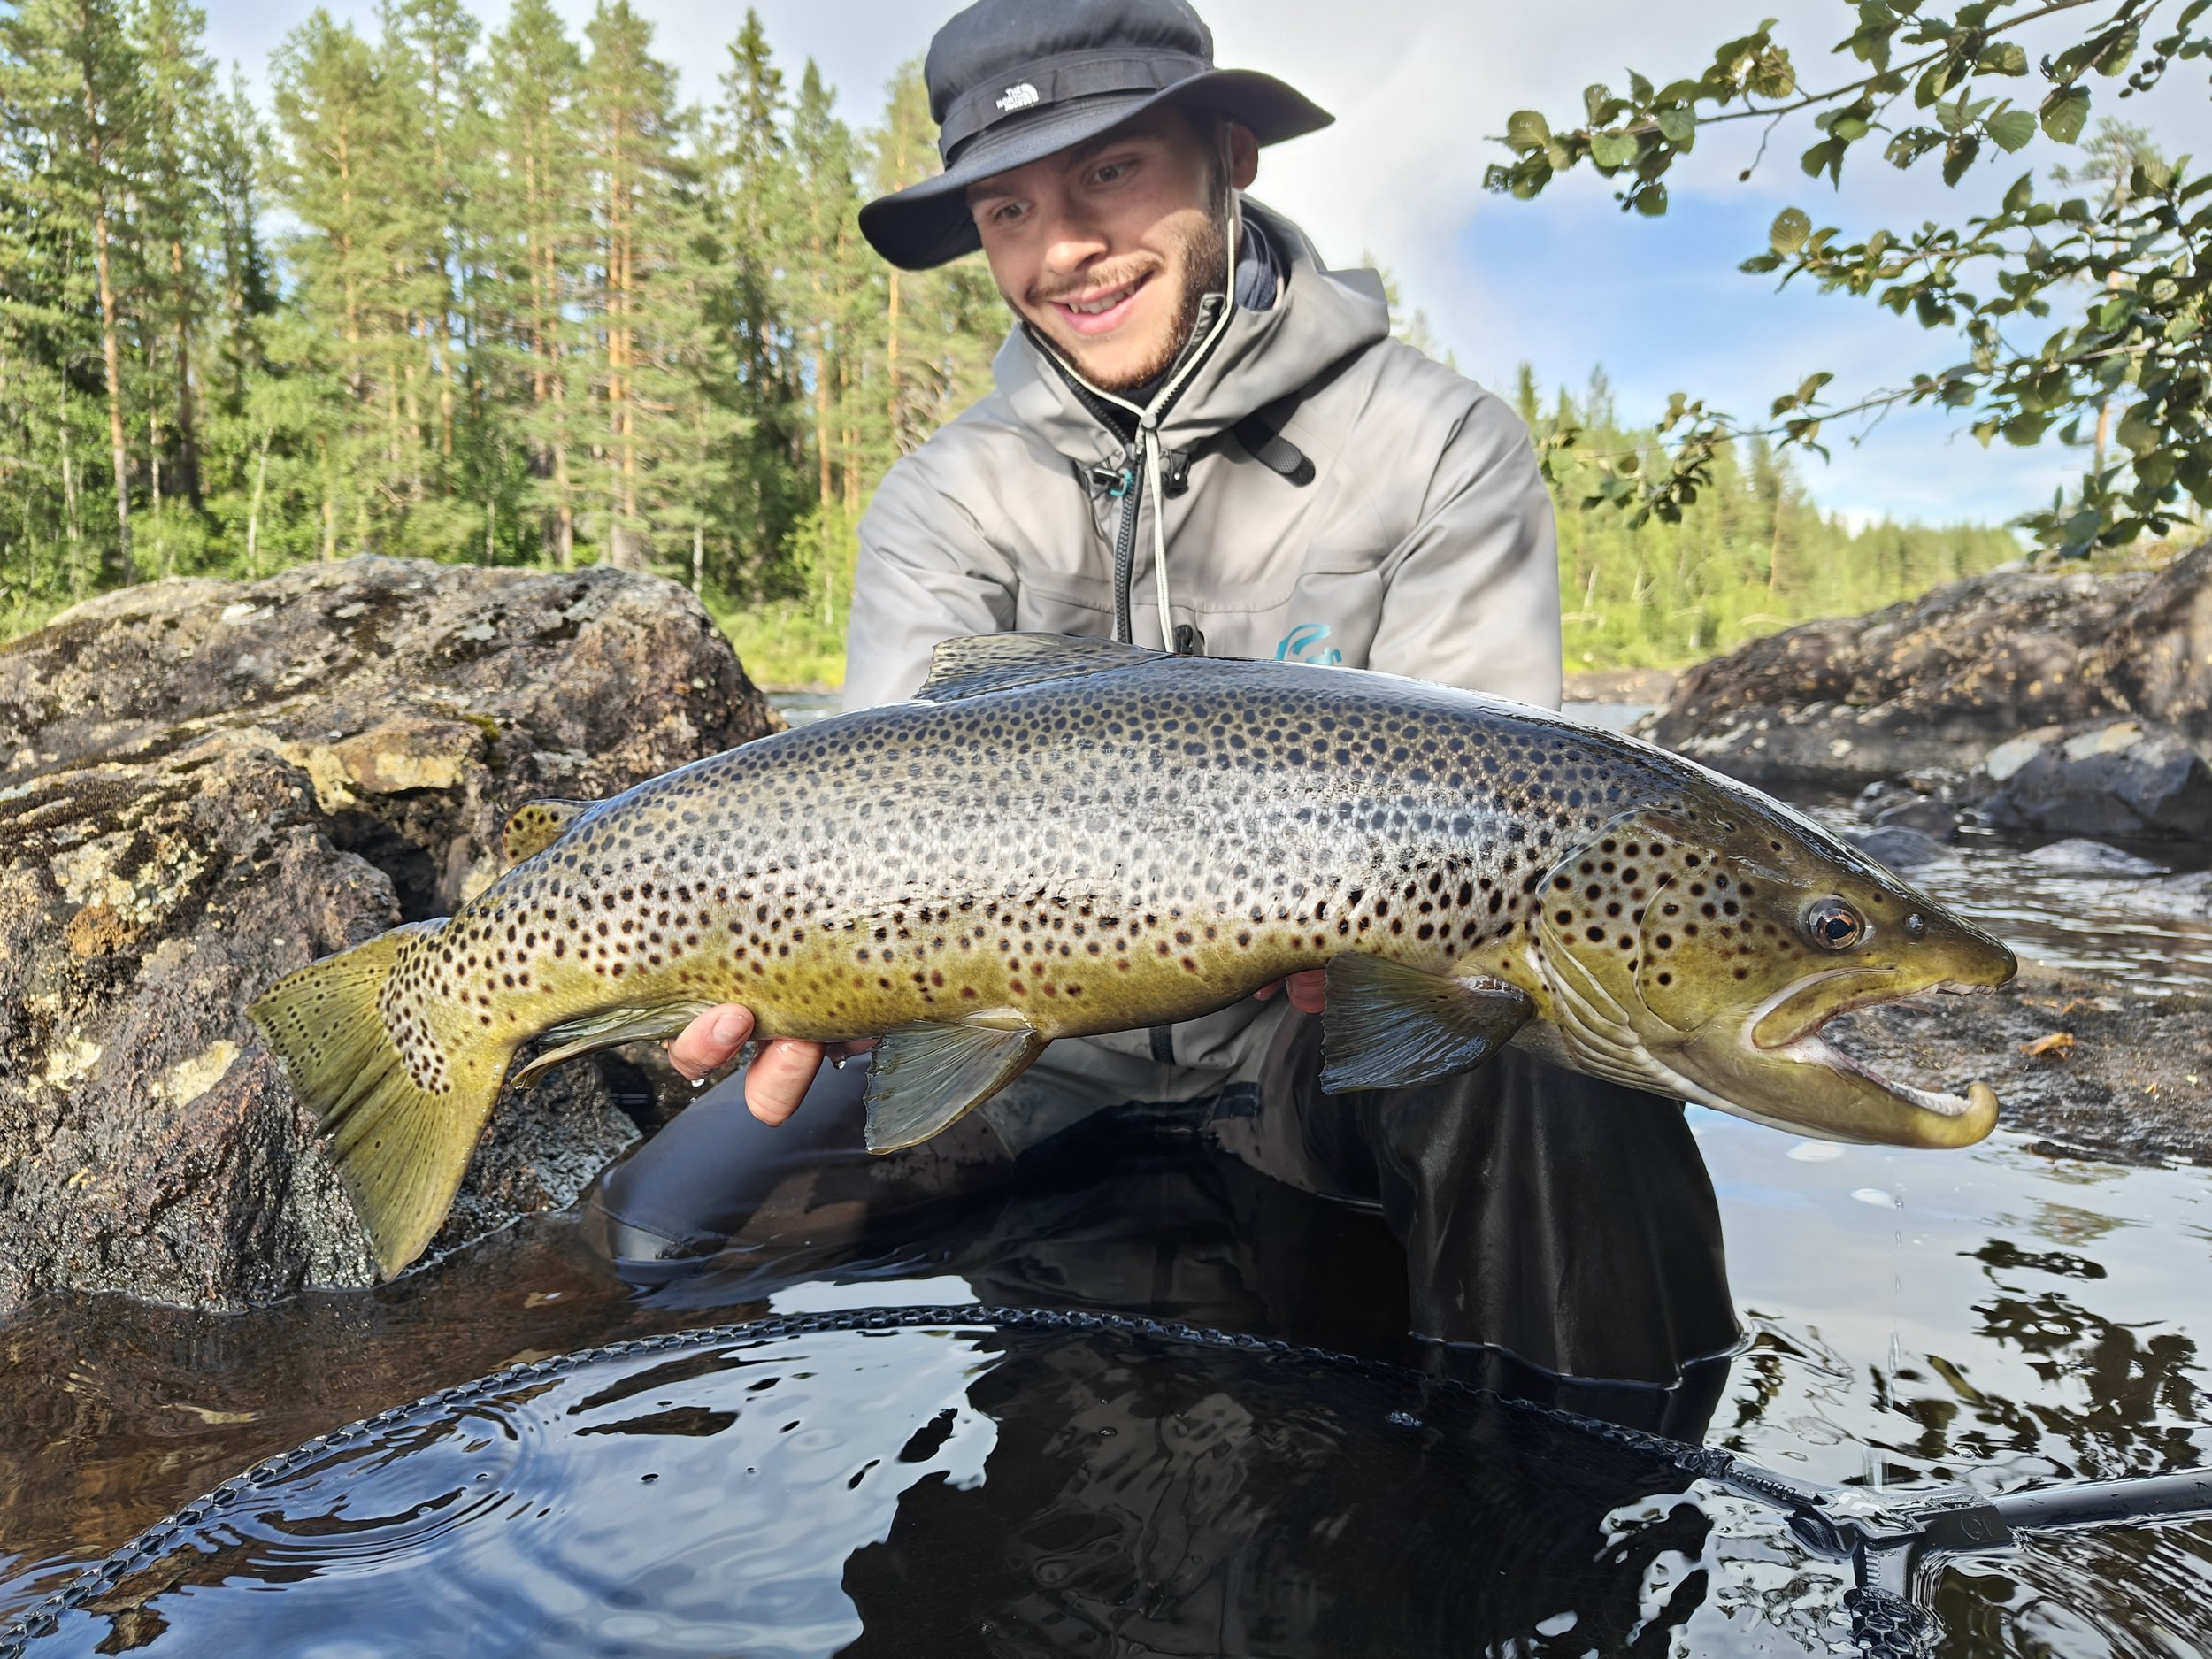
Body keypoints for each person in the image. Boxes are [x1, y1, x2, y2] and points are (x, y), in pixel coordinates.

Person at [598, 0, 1738, 1422]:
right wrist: (788, 975)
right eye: (1009, 207)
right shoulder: (945, 499)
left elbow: (1513, 829)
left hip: (1313, 1051)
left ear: (1230, 155)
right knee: (643, 1243)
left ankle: (1593, 1512)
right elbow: (872, 819)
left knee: (1550, 1040)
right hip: (1011, 1055)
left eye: (1110, 175)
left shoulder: (1435, 444)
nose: (1062, 247)